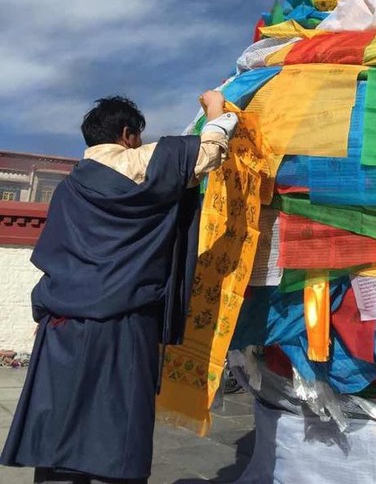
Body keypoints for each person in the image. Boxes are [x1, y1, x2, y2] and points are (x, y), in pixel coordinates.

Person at [1, 91, 236, 484]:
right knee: (118, 425)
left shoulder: (68, 188)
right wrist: (215, 109)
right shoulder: (142, 162)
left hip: (62, 321)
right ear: (127, 134)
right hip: (124, 322)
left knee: (58, 423)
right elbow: (211, 149)